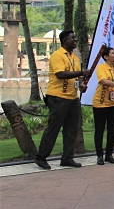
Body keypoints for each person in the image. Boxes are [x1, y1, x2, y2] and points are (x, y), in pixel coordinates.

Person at [34, 30, 89, 169]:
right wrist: (81, 72)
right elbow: (60, 74)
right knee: (54, 128)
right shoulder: (57, 55)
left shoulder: (75, 58)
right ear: (64, 40)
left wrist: (82, 84)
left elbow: (77, 77)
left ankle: (67, 158)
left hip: (73, 98)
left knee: (71, 129)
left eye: (76, 37)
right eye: (72, 38)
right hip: (58, 97)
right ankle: (41, 157)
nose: (75, 40)